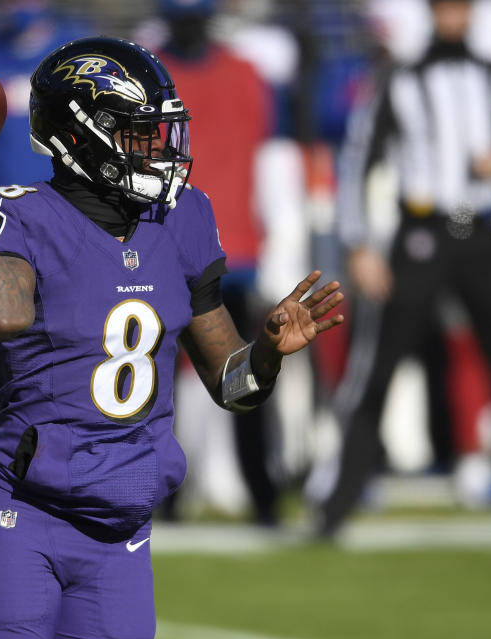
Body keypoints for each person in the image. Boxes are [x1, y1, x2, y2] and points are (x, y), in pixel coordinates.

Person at [0, 36, 343, 639]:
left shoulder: (183, 216)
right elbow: (0, 315)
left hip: (123, 524)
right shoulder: (18, 215)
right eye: (138, 133)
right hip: (27, 512)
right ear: (81, 135)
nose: (155, 149)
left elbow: (232, 388)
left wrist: (265, 352)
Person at [319, 0, 491, 538]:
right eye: (444, 8)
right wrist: (359, 244)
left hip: (476, 227)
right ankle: (336, 503)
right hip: (422, 231)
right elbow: (361, 158)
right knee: (378, 370)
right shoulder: (401, 79)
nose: (453, 18)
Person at [153, 0, 280, 524]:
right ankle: (171, 495)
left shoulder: (245, 73)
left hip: (229, 249)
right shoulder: (153, 74)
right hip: (177, 246)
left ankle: (261, 493)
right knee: (165, 381)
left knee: (244, 376)